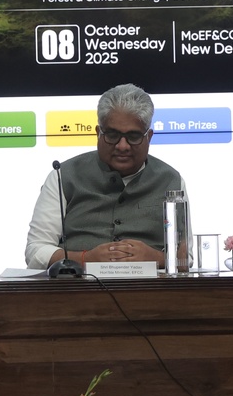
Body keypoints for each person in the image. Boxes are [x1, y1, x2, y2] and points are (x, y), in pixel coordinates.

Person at [24, 83, 185, 270]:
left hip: (152, 293)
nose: (122, 146)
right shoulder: (62, 176)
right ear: (98, 133)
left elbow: (186, 258)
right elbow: (35, 251)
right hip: (78, 292)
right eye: (112, 135)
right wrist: (85, 259)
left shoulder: (171, 180)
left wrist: (157, 258)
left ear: (148, 137)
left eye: (133, 136)